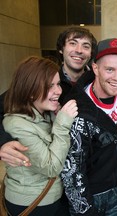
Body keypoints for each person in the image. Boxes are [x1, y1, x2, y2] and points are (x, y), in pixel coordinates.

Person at [0, 26, 97, 167]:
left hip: (88, 168)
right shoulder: (43, 80)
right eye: (73, 43)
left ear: (90, 53)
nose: (79, 50)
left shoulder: (97, 82)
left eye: (85, 46)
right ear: (61, 49)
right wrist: (4, 141)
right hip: (52, 170)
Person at [60, 38, 117, 215]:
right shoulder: (77, 110)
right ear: (95, 68)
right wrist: (85, 209)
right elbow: (72, 171)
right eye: (109, 69)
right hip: (88, 196)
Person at [2, 56, 78, 215]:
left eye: (58, 84)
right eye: (50, 86)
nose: (58, 91)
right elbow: (50, 167)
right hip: (32, 203)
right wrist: (63, 123)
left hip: (53, 197)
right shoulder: (17, 124)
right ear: (30, 91)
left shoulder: (46, 114)